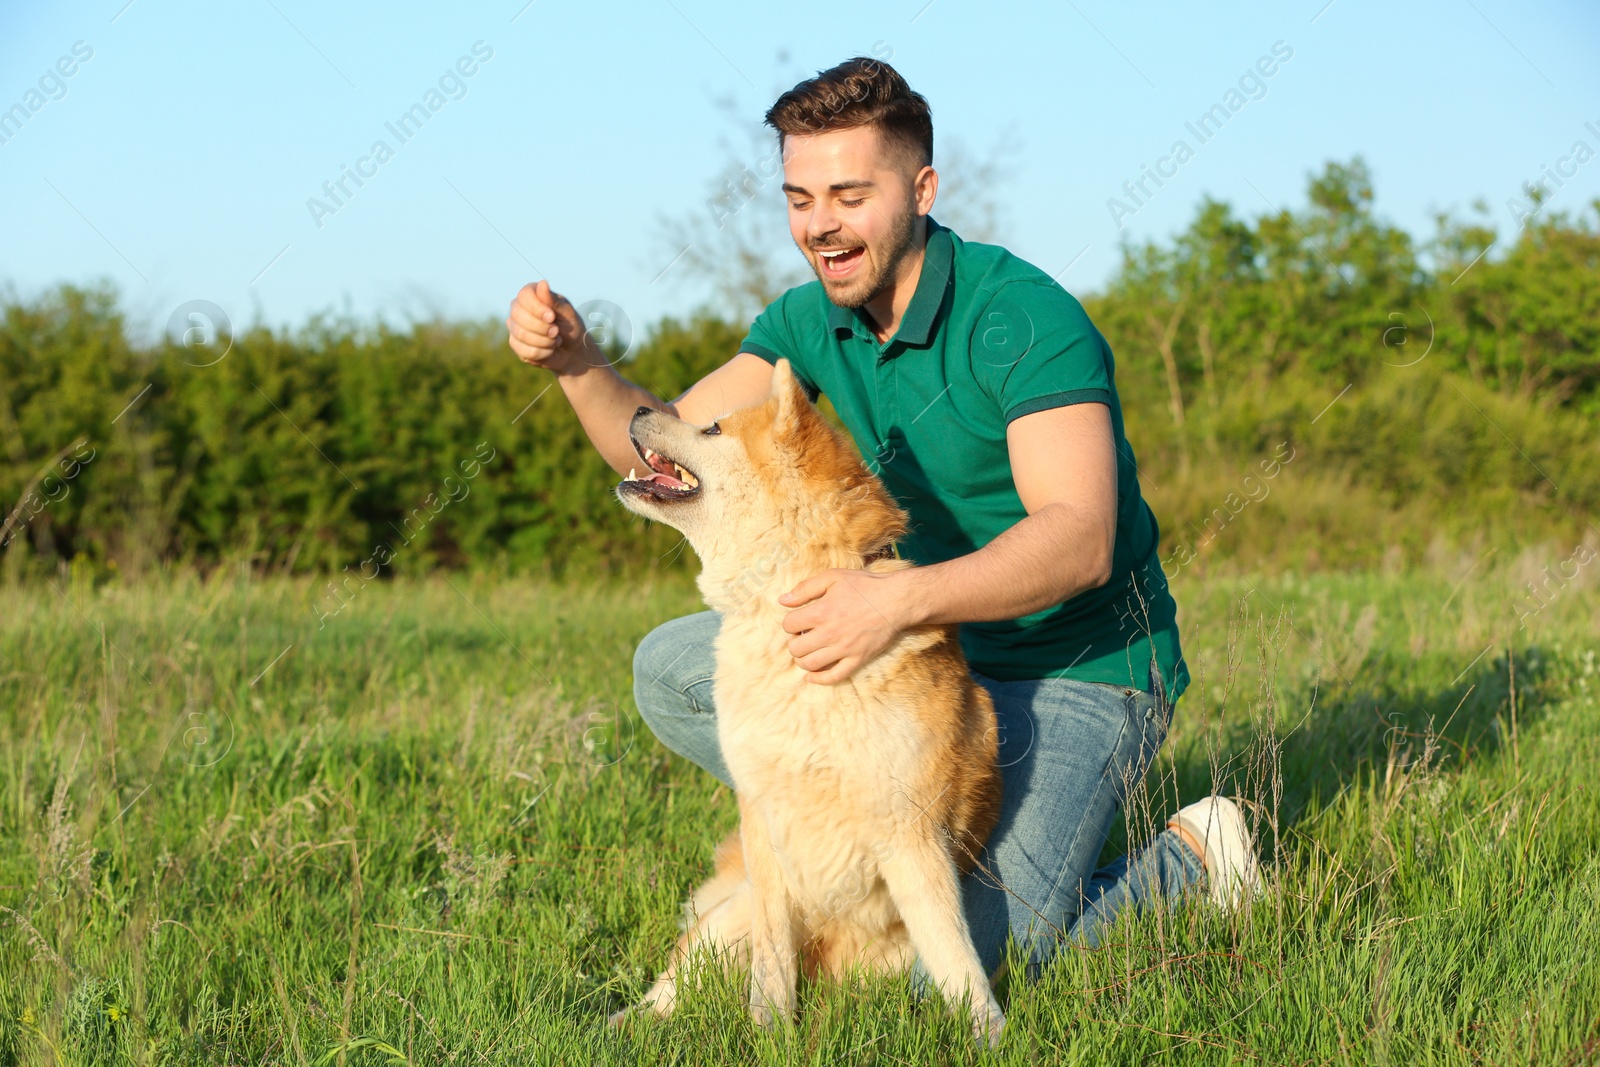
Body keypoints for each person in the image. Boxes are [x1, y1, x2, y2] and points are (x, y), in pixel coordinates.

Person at [506, 56, 1258, 982]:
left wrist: (892, 604)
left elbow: (1082, 536)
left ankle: (1193, 856)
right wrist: (577, 364)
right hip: (916, 660)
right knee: (670, 666)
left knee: (973, 960)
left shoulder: (1023, 317)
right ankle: (841, 835)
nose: (820, 223)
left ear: (922, 187)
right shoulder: (804, 321)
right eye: (799, 197)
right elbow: (671, 458)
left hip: (1072, 668)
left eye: (850, 194)